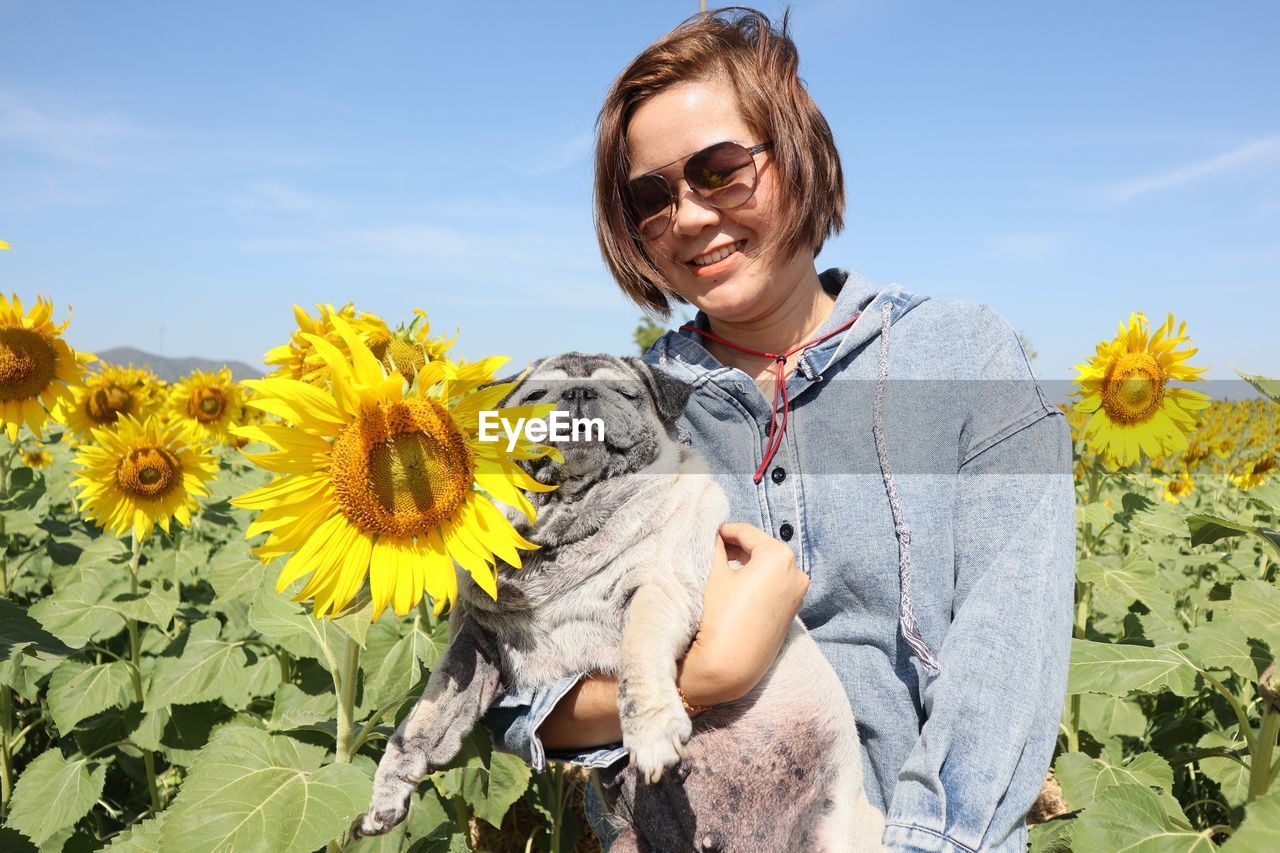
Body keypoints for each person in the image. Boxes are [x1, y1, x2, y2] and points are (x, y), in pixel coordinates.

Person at [483, 7, 1075, 851]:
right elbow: (517, 699)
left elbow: (1003, 670)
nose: (687, 216)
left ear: (799, 154)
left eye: (720, 171)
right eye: (650, 197)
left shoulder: (960, 355)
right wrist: (704, 674)